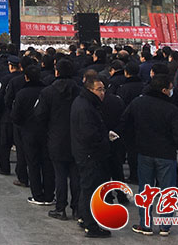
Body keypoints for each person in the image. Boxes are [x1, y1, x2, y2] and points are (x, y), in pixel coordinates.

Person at [122, 74, 178, 235]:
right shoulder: (171, 109)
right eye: (170, 89)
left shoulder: (138, 103)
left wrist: (133, 143)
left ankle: (145, 224)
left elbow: (125, 123)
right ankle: (165, 225)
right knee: (167, 189)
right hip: (166, 154)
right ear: (164, 90)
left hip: (144, 151)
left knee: (145, 189)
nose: (171, 91)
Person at [34, 58, 80, 221]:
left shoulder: (48, 92)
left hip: (56, 138)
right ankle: (77, 208)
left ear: (57, 72)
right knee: (76, 175)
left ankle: (60, 208)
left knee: (60, 175)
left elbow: (39, 115)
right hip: (77, 138)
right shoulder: (80, 91)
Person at [70, 73, 110, 239]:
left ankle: (83, 217)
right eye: (99, 89)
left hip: (83, 152)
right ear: (90, 89)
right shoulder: (86, 107)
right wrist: (104, 140)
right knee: (90, 190)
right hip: (89, 154)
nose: (102, 93)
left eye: (103, 89)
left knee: (86, 187)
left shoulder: (84, 102)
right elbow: (89, 134)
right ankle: (91, 225)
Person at [11, 65, 53, 206]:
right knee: (47, 164)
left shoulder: (22, 94)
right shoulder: (47, 91)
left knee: (33, 163)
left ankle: (37, 195)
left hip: (28, 132)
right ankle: (49, 194)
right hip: (46, 132)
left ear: (26, 77)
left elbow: (15, 115)